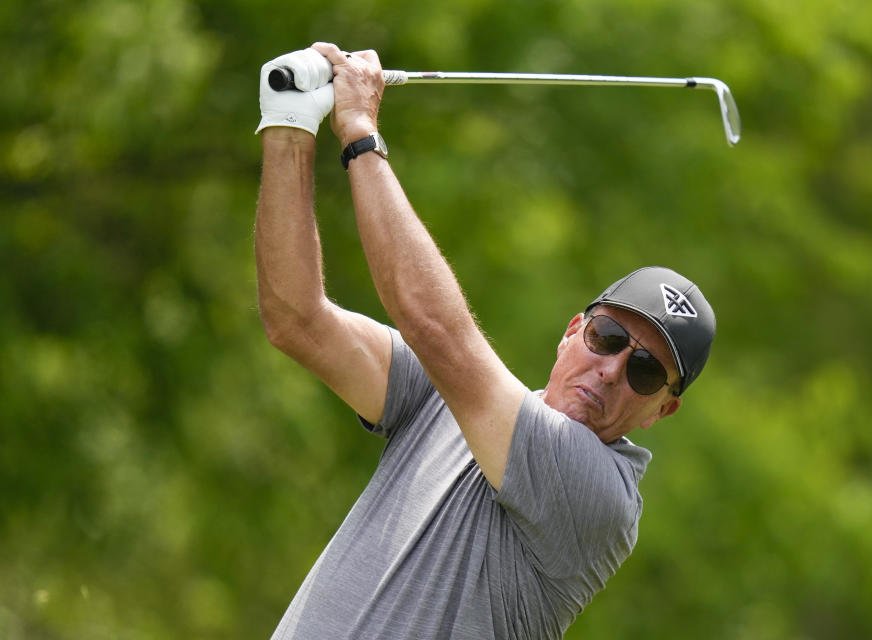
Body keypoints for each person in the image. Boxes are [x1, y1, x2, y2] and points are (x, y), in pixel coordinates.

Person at [255, 42, 716, 640]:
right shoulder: (444, 396)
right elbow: (296, 319)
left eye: (647, 371)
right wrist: (288, 127)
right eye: (607, 337)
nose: (611, 370)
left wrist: (360, 133)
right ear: (573, 331)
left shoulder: (599, 497)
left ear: (663, 409)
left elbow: (435, 329)